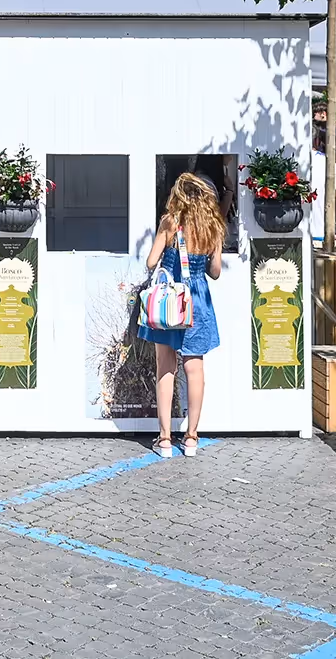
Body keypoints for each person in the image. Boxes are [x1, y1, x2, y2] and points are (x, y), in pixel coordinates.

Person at [136, 172, 227, 459]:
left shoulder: (170, 223)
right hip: (197, 300)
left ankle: (164, 440)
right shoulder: (213, 226)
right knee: (195, 367)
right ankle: (191, 438)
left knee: (165, 366)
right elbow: (215, 272)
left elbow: (151, 262)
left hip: (169, 300)